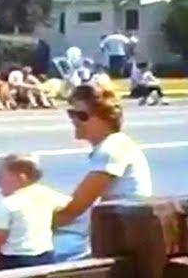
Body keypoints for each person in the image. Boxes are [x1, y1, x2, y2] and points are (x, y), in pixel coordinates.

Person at [52, 84, 153, 261]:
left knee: (38, 255)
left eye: (82, 115)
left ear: (104, 119)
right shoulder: (115, 145)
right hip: (119, 227)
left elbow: (75, 207)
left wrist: (35, 226)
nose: (74, 120)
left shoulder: (111, 149)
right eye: (71, 113)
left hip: (122, 235)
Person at [0, 154, 70, 272]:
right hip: (46, 255)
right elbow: (69, 205)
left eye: (1, 177)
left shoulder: (10, 203)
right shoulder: (46, 194)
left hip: (15, 259)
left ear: (21, 178)